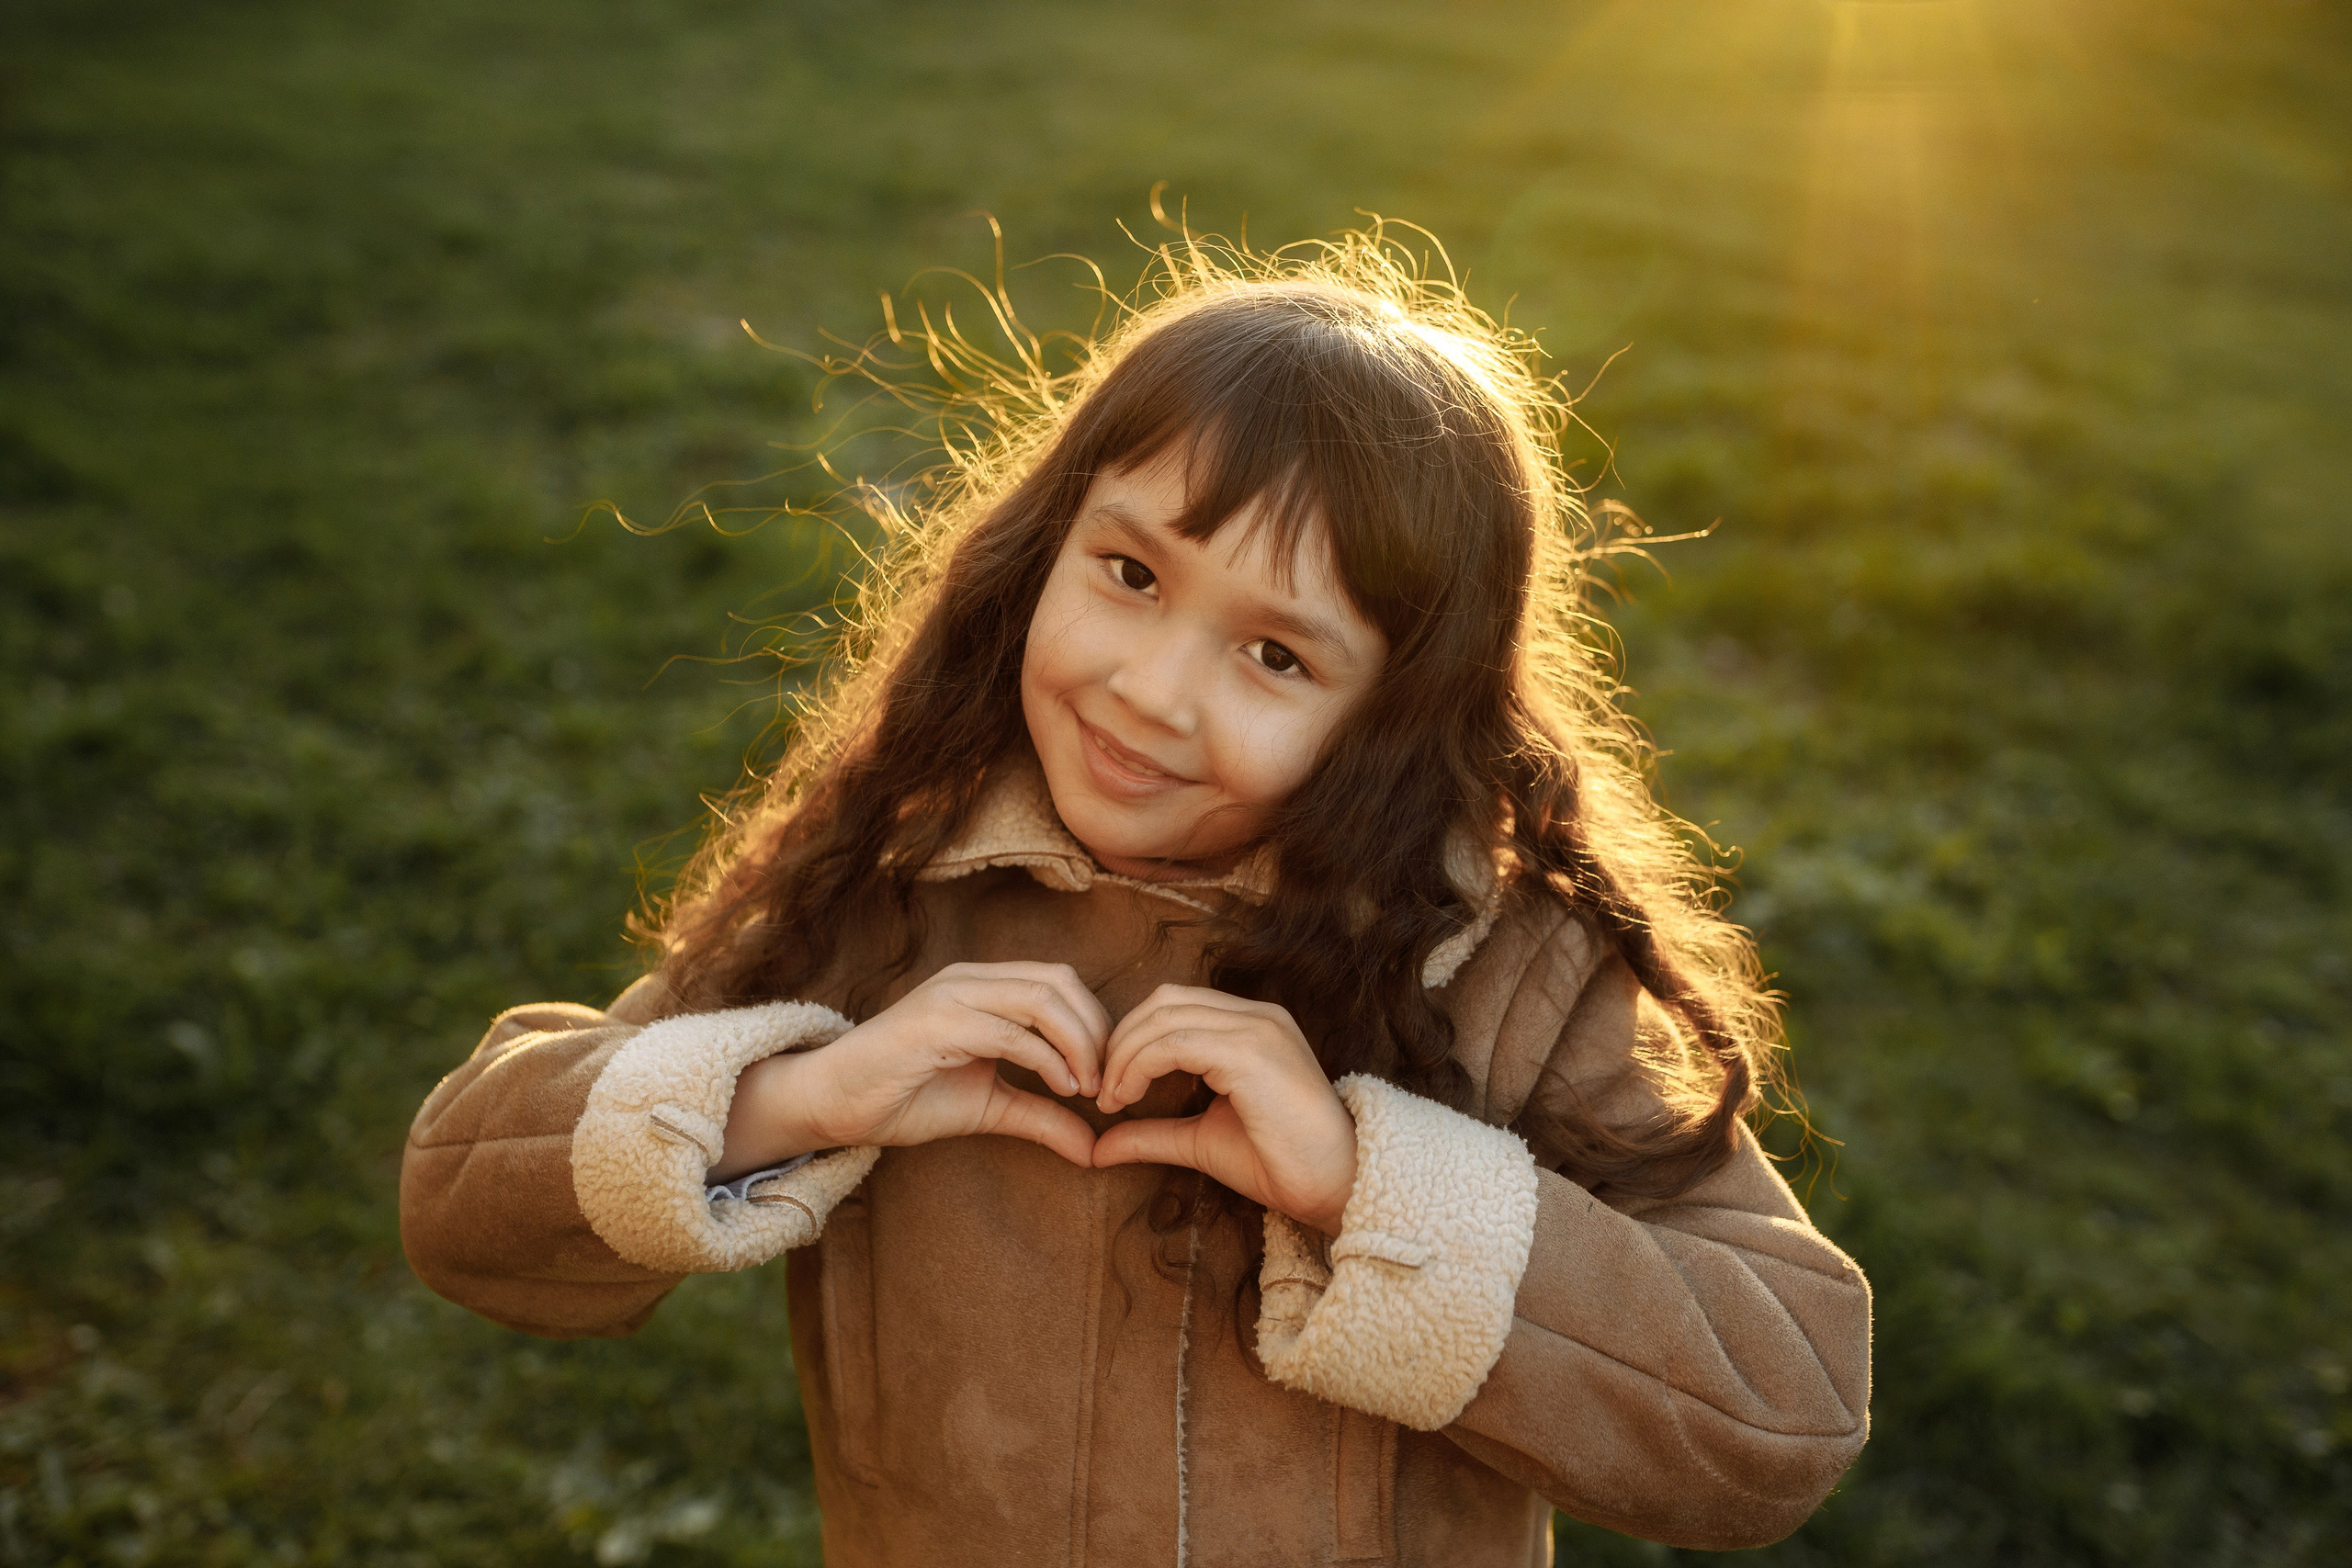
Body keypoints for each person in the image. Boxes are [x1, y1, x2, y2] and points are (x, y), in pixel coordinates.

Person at [399, 230, 1871, 1566]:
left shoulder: (1497, 960)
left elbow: (1783, 1420)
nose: (1150, 694)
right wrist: (804, 1093)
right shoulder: (892, 880)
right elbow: (460, 1211)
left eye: (1277, 656)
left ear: (1390, 720)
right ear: (1043, 547)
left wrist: (1365, 1186)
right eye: (1129, 573)